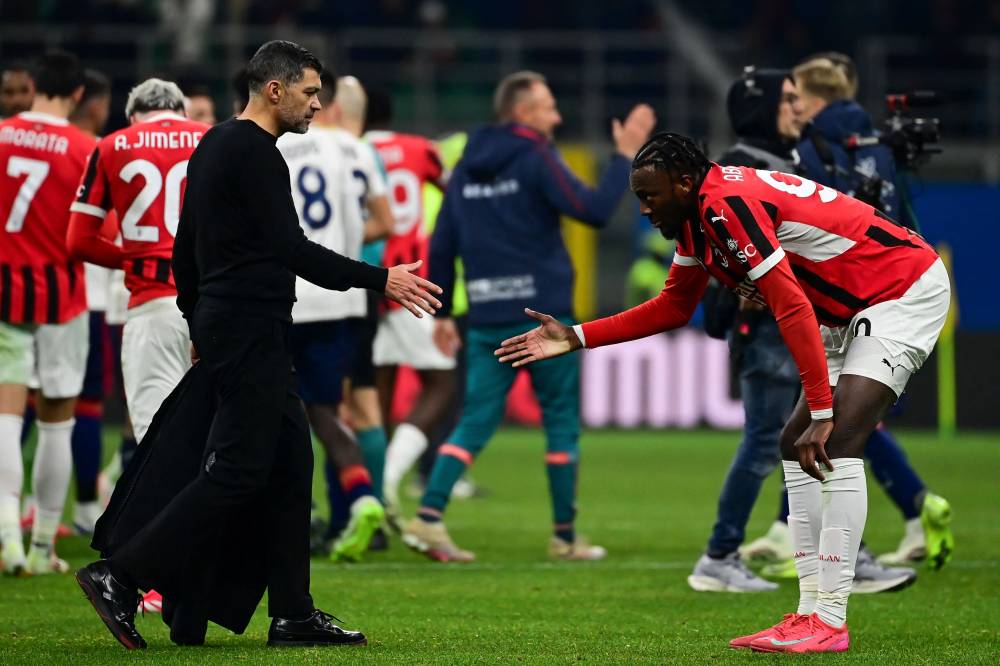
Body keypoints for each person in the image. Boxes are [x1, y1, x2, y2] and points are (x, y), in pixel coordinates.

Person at [496, 133, 950, 653]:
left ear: (685, 183)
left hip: (901, 288)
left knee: (837, 439)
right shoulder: (697, 215)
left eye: (651, 196)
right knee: (791, 444)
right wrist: (576, 336)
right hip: (853, 301)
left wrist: (823, 408)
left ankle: (830, 620)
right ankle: (807, 616)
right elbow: (673, 306)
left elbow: (792, 308)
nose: (644, 210)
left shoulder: (723, 205)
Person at [74, 40, 440, 650]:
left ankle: (291, 611)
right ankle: (122, 576)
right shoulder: (256, 154)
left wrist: (198, 320)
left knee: (294, 462)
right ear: (275, 89)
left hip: (232, 325)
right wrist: (384, 278)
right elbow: (290, 250)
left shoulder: (214, 143)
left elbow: (184, 248)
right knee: (239, 471)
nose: (317, 105)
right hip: (249, 328)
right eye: (309, 92)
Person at [403, 70, 655, 562]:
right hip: (546, 317)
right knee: (560, 420)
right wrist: (624, 154)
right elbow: (594, 210)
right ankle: (564, 536)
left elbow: (444, 240)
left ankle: (428, 518)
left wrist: (441, 313)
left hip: (485, 314)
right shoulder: (536, 156)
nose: (557, 117)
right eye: (548, 107)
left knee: (474, 420)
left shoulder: (466, 166)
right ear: (522, 112)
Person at [689, 68, 917, 595]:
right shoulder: (742, 167)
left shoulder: (790, 160)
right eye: (786, 100)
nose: (797, 108)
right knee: (771, 441)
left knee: (805, 437)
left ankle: (838, 555)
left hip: (802, 320)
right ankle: (722, 555)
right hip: (768, 325)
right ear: (760, 108)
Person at [787, 55, 953, 570]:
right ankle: (901, 514)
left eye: (795, 99)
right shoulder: (880, 149)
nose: (790, 108)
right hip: (892, 291)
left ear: (814, 101)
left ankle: (850, 552)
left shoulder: (814, 149)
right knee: (836, 426)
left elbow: (814, 225)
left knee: (827, 428)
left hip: (840, 298)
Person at [278, 72, 390, 562]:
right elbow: (385, 221)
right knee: (328, 411)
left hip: (286, 296)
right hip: (343, 300)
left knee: (279, 417)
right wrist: (344, 242)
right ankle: (363, 498)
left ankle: (292, 523)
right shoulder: (355, 149)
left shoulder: (275, 146)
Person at [0, 51, 94, 575]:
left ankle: (8, 542)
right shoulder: (85, 148)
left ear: (33, 86)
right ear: (78, 94)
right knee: (57, 425)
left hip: (4, 288)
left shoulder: (1, 135)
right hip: (63, 294)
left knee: (6, 419)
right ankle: (41, 550)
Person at [364, 88, 457, 519]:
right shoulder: (419, 149)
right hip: (407, 279)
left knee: (373, 393)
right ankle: (386, 481)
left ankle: (371, 496)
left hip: (360, 283)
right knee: (442, 382)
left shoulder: (352, 148)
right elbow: (453, 196)